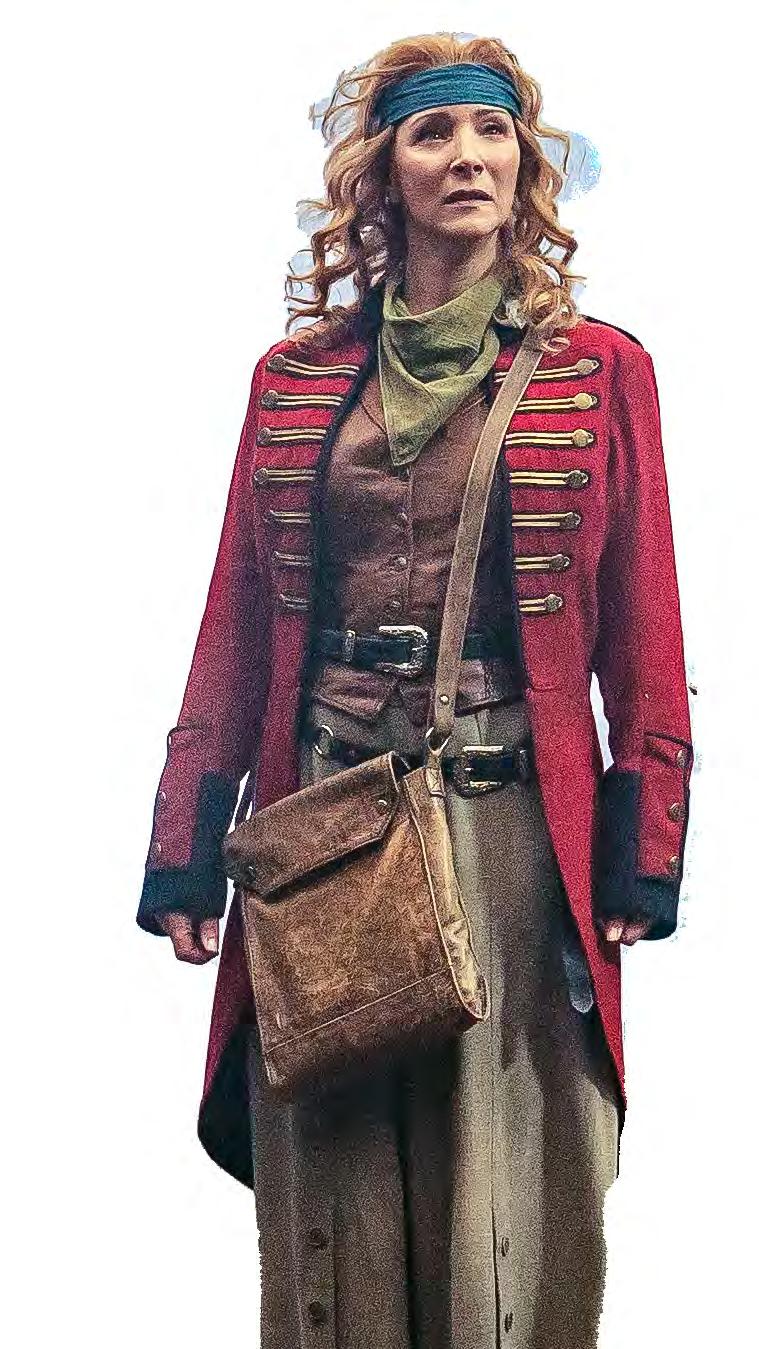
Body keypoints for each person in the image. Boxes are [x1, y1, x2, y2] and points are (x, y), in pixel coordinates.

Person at [136, 31, 693, 1349]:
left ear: (525, 164)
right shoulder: (291, 381)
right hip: (324, 819)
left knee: (508, 1185)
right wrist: (185, 849)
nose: (470, 158)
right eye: (434, 133)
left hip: (512, 829)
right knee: (334, 1188)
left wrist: (642, 850)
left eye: (493, 132)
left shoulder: (601, 370)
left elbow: (645, 631)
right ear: (381, 172)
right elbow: (236, 626)